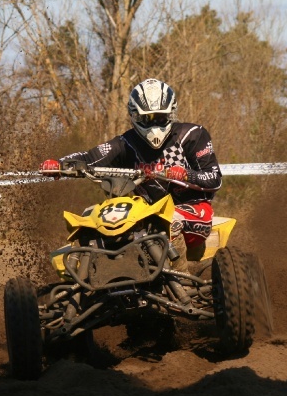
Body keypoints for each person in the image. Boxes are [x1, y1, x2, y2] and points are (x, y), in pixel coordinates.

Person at [40, 78, 222, 272]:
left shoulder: (192, 135)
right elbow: (89, 158)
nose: (154, 125)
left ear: (171, 113)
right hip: (147, 215)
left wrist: (186, 175)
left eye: (160, 118)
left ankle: (181, 280)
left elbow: (214, 178)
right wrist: (60, 164)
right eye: (147, 118)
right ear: (135, 115)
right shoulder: (126, 143)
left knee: (170, 221)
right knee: (95, 221)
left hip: (193, 209)